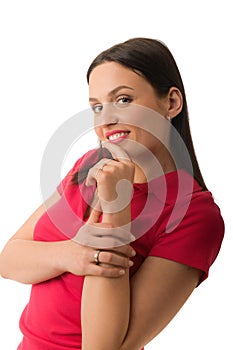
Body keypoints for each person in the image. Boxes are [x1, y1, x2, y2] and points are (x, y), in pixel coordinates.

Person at [0, 38, 224, 350]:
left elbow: (105, 346)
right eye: (97, 106)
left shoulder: (194, 215)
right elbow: (9, 260)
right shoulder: (87, 168)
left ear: (171, 103)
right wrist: (73, 254)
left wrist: (116, 209)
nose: (106, 119)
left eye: (123, 99)